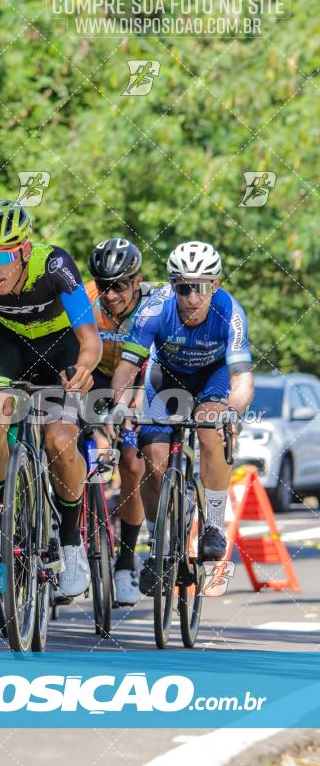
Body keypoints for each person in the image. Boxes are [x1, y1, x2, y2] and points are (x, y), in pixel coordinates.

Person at [0, 200, 102, 597]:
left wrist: (84, 369)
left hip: (61, 346)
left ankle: (70, 542)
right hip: (11, 344)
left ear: (24, 250)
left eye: (0, 257)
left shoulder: (55, 266)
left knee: (60, 439)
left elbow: (90, 340)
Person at [112, 241, 254, 595]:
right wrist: (120, 404)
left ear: (217, 283)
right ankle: (158, 544)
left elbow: (242, 378)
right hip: (166, 379)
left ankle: (215, 527)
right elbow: (128, 367)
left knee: (209, 430)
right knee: (153, 458)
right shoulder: (154, 309)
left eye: (201, 286)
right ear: (173, 286)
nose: (192, 297)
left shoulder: (230, 312)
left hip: (213, 378)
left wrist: (232, 411)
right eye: (183, 287)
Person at [85, 237, 155, 606]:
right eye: (102, 285)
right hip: (94, 378)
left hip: (141, 380)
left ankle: (126, 560)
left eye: (119, 286)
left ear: (137, 281)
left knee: (132, 461)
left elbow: (154, 365)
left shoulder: (154, 305)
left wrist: (131, 407)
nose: (109, 294)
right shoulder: (84, 299)